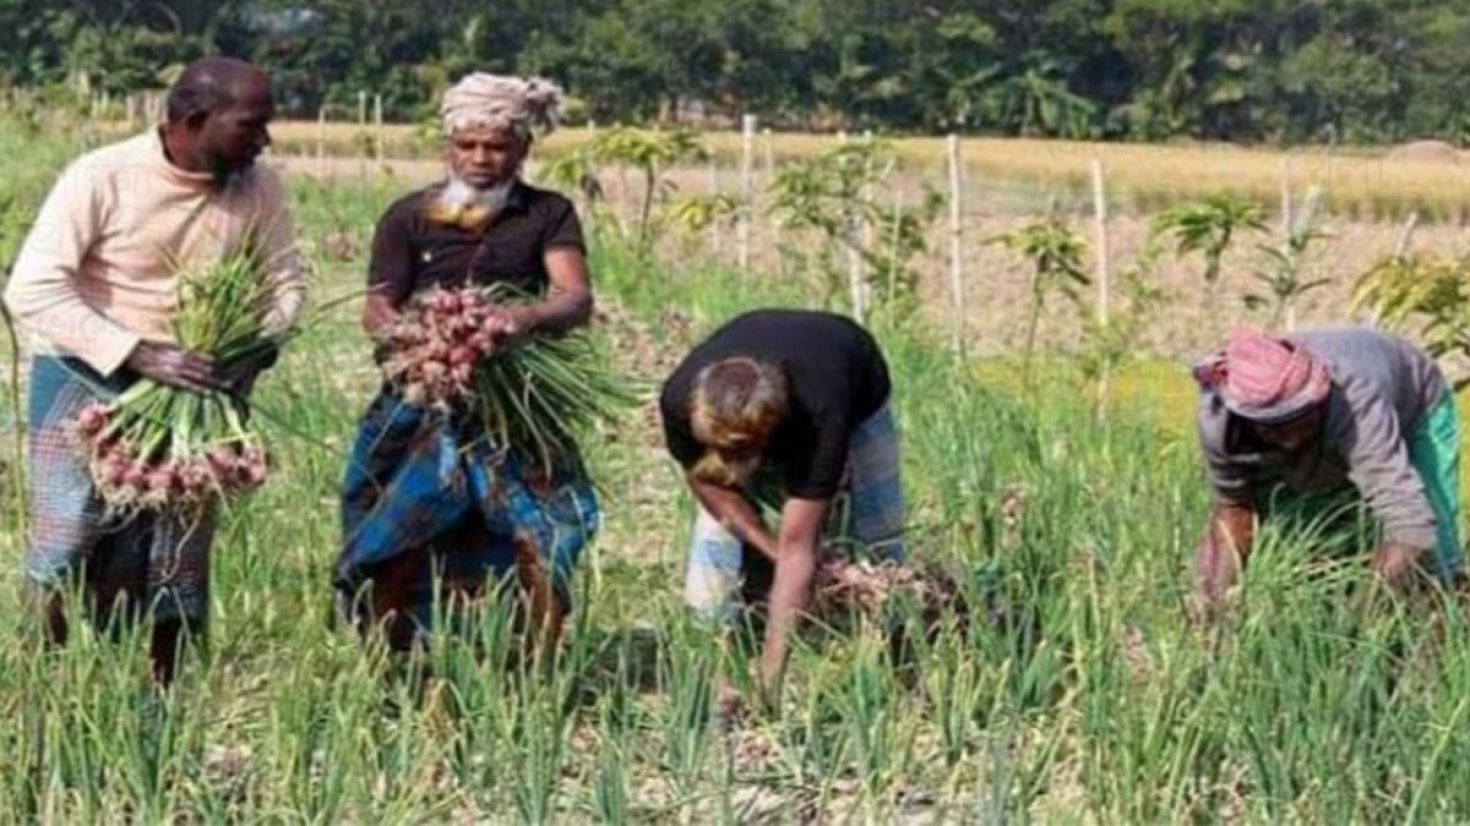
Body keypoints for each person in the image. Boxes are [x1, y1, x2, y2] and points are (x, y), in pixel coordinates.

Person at [3, 56, 304, 684]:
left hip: (198, 385)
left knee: (178, 557)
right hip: (85, 373)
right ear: (195, 120)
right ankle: (39, 683)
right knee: (67, 536)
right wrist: (138, 353)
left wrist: (259, 342)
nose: (264, 140)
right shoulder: (102, 175)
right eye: (251, 125)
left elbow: (285, 279)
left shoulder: (259, 187)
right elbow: (32, 288)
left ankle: (163, 692)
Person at [335, 73, 596, 656]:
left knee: (539, 530)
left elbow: (573, 297)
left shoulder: (548, 213)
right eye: (468, 145)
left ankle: (520, 651)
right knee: (387, 520)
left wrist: (516, 323)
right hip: (424, 395)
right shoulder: (408, 216)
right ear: (447, 147)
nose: (481, 158)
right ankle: (392, 650)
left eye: (498, 146)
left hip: (516, 402)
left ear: (523, 149)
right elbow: (377, 303)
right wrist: (412, 336)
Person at [659, 309, 906, 697]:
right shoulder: (679, 400)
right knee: (716, 543)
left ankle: (897, 638)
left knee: (880, 525)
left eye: (740, 450)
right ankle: (713, 660)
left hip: (854, 377)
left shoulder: (821, 414)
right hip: (765, 346)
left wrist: (769, 685)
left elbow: (797, 549)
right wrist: (765, 545)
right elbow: (709, 487)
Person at [1193, 327, 1462, 612]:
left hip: (1415, 401)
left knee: (1435, 556)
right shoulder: (1219, 420)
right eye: (1274, 427)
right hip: (1328, 423)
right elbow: (1235, 509)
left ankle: (1452, 618)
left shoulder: (1356, 400)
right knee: (1312, 545)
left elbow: (1414, 529)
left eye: (1299, 420)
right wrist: (1215, 606)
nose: (1291, 439)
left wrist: (1354, 622)